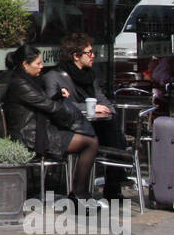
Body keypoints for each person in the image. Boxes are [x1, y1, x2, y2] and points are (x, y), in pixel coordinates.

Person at [2, 43, 102, 205]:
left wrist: (57, 96)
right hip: (30, 137)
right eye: (38, 64)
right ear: (25, 64)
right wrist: (72, 115)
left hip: (38, 131)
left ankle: (78, 193)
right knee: (90, 142)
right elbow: (48, 106)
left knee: (88, 139)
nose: (41, 67)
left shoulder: (27, 80)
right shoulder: (20, 84)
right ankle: (79, 193)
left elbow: (44, 101)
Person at [42, 34, 130, 198]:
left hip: (91, 124)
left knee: (111, 122)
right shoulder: (54, 76)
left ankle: (113, 181)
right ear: (76, 56)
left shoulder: (90, 75)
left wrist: (109, 109)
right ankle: (114, 180)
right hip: (68, 126)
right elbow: (55, 105)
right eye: (89, 53)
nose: (93, 56)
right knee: (108, 132)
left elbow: (100, 96)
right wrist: (89, 108)